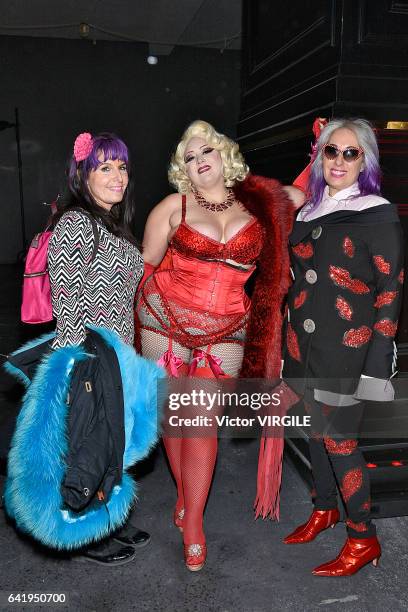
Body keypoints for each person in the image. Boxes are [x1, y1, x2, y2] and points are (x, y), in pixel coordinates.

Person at [135, 120, 303, 571]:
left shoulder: (261, 206)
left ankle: (193, 521)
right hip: (164, 320)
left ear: (224, 154)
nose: (197, 161)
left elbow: (305, 191)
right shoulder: (173, 206)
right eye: (187, 158)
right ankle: (188, 505)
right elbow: (141, 267)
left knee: (201, 422)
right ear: (182, 170)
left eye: (204, 151)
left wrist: (328, 150)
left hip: (228, 326)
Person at [283, 118, 404, 576]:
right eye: (331, 151)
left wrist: (375, 370)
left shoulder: (376, 212)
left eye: (351, 153)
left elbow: (391, 294)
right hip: (303, 348)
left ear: (365, 161)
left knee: (339, 441)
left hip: (347, 353)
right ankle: (324, 507)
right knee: (314, 434)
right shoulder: (307, 210)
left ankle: (363, 538)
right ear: (320, 156)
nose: (339, 161)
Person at [48, 132, 151, 565]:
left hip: (116, 354)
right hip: (89, 355)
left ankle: (107, 516)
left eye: (121, 167)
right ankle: (87, 530)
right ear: (83, 175)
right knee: (89, 443)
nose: (117, 176)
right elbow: (66, 302)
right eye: (104, 167)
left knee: (112, 442)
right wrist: (70, 369)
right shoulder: (76, 222)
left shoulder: (110, 223)